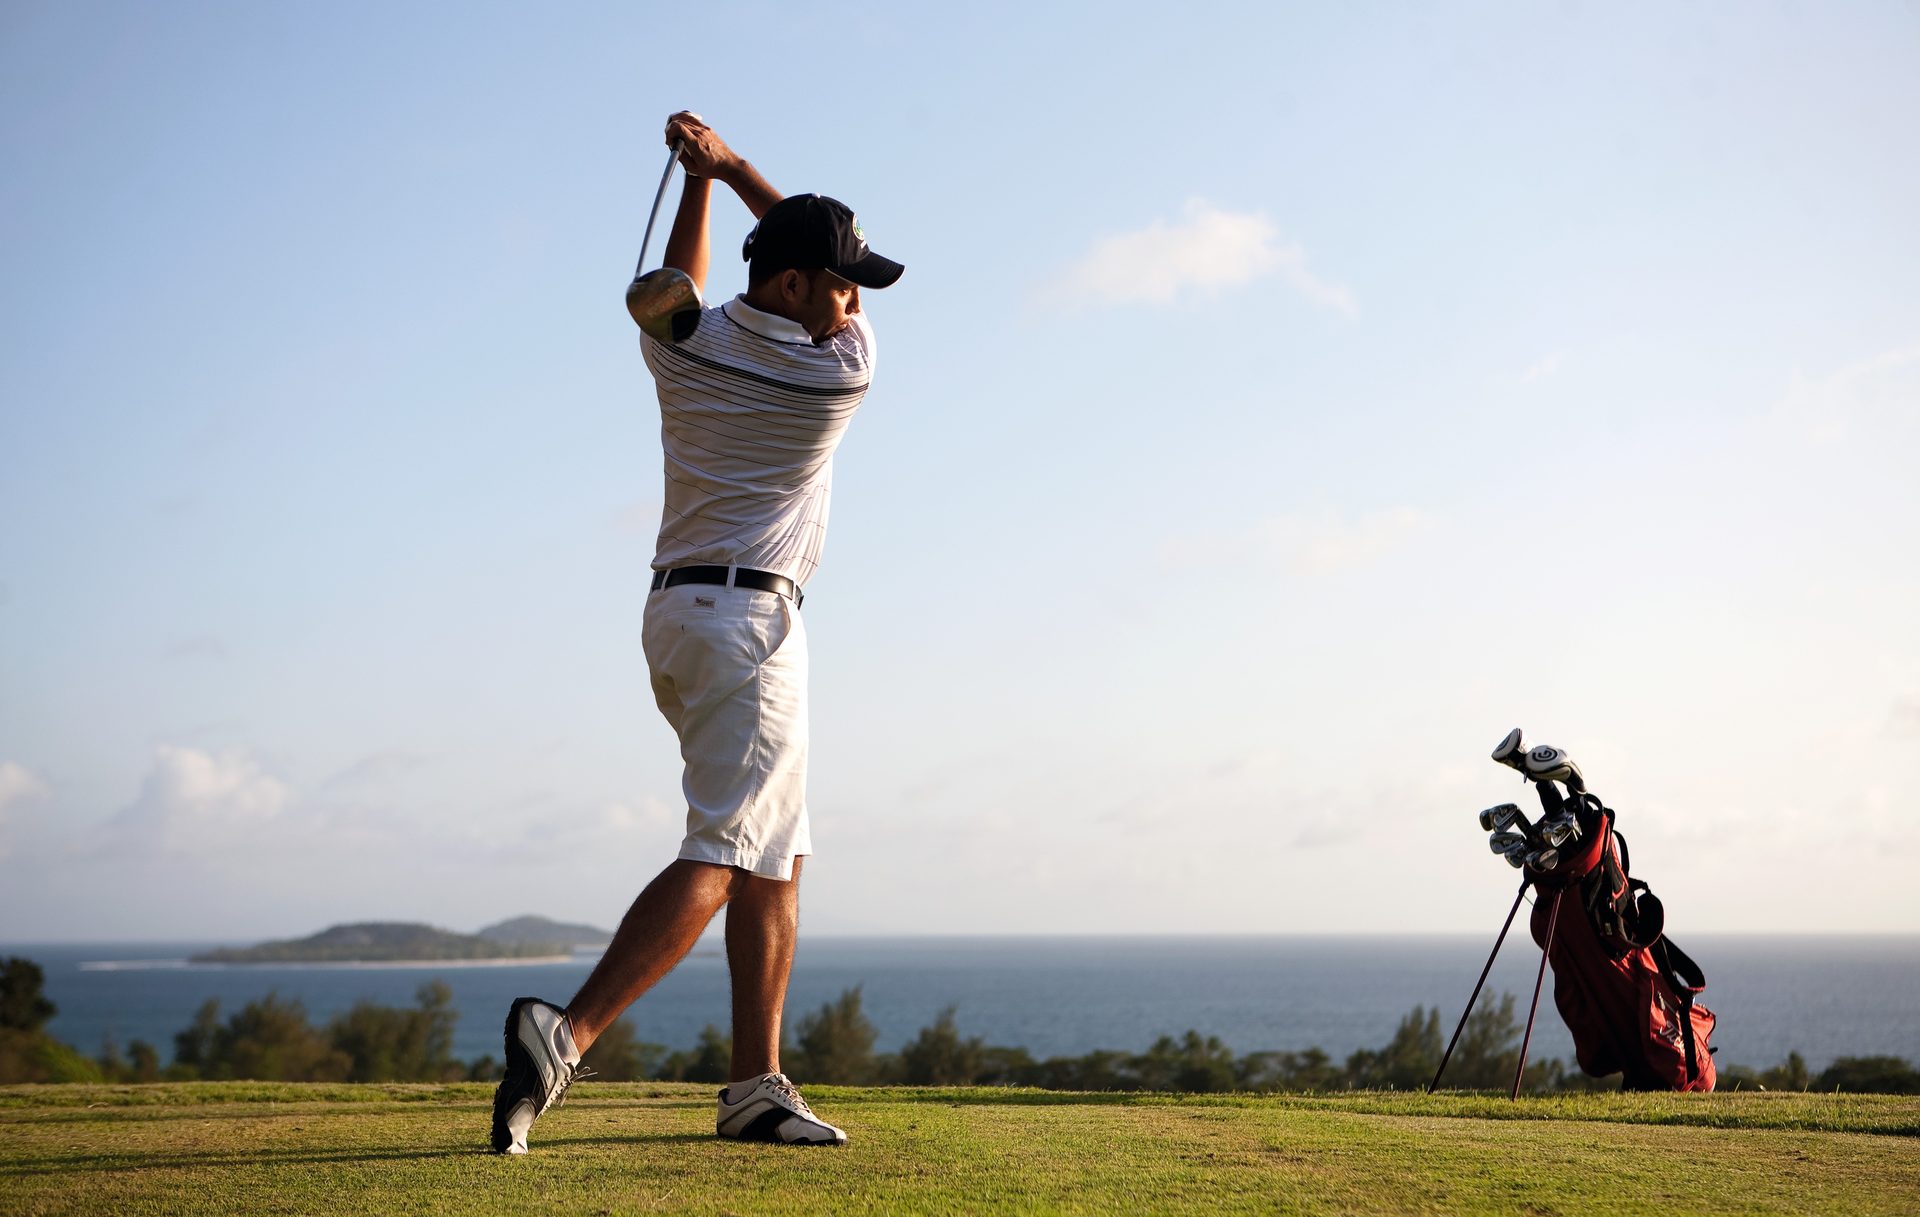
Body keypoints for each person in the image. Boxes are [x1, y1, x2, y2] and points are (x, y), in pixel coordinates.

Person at [489, 111, 904, 1155]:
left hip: (675, 613)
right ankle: (567, 1032)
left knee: (774, 853)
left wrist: (701, 184)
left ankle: (755, 1086)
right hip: (752, 623)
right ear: (803, 283)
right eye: (843, 278)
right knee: (725, 847)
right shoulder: (837, 369)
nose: (852, 299)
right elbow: (769, 265)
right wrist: (734, 168)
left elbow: (679, 287)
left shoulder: (684, 345)